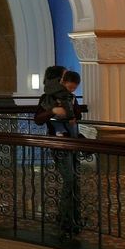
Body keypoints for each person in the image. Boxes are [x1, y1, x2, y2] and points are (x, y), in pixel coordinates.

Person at [34, 67, 84, 239]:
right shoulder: (47, 98)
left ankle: (74, 218)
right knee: (69, 179)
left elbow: (78, 113)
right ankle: (65, 218)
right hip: (60, 144)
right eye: (63, 77)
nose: (65, 81)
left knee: (75, 180)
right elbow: (38, 119)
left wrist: (73, 113)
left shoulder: (70, 97)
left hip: (73, 141)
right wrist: (53, 111)